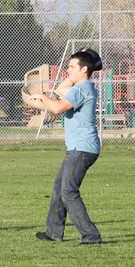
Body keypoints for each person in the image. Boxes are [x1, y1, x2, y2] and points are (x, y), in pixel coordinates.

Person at [31, 49, 103, 245]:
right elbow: (60, 90)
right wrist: (71, 77)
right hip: (79, 148)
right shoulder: (82, 87)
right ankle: (54, 232)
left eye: (72, 67)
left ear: (84, 70)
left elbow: (56, 108)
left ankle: (91, 235)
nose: (68, 70)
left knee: (69, 192)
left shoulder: (82, 89)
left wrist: (41, 97)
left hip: (82, 149)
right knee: (59, 188)